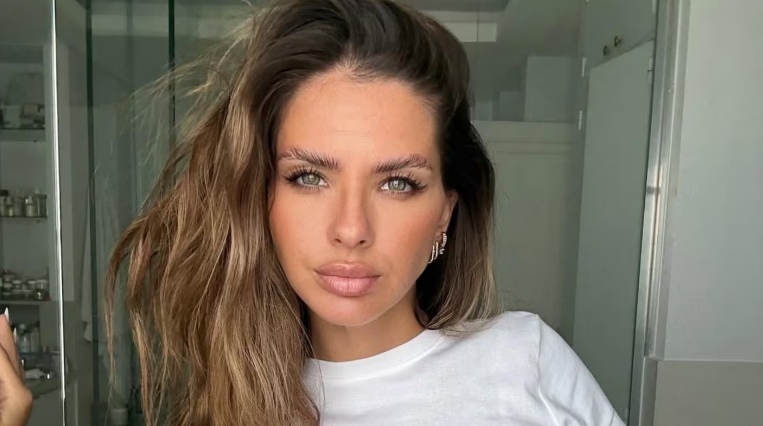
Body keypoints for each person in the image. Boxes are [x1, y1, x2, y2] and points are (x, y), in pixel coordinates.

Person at [0, 0, 624, 425]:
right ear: (261, 199)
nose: (350, 229)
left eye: (398, 183)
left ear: (445, 214)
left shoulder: (522, 362)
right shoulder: (229, 408)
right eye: (309, 177)